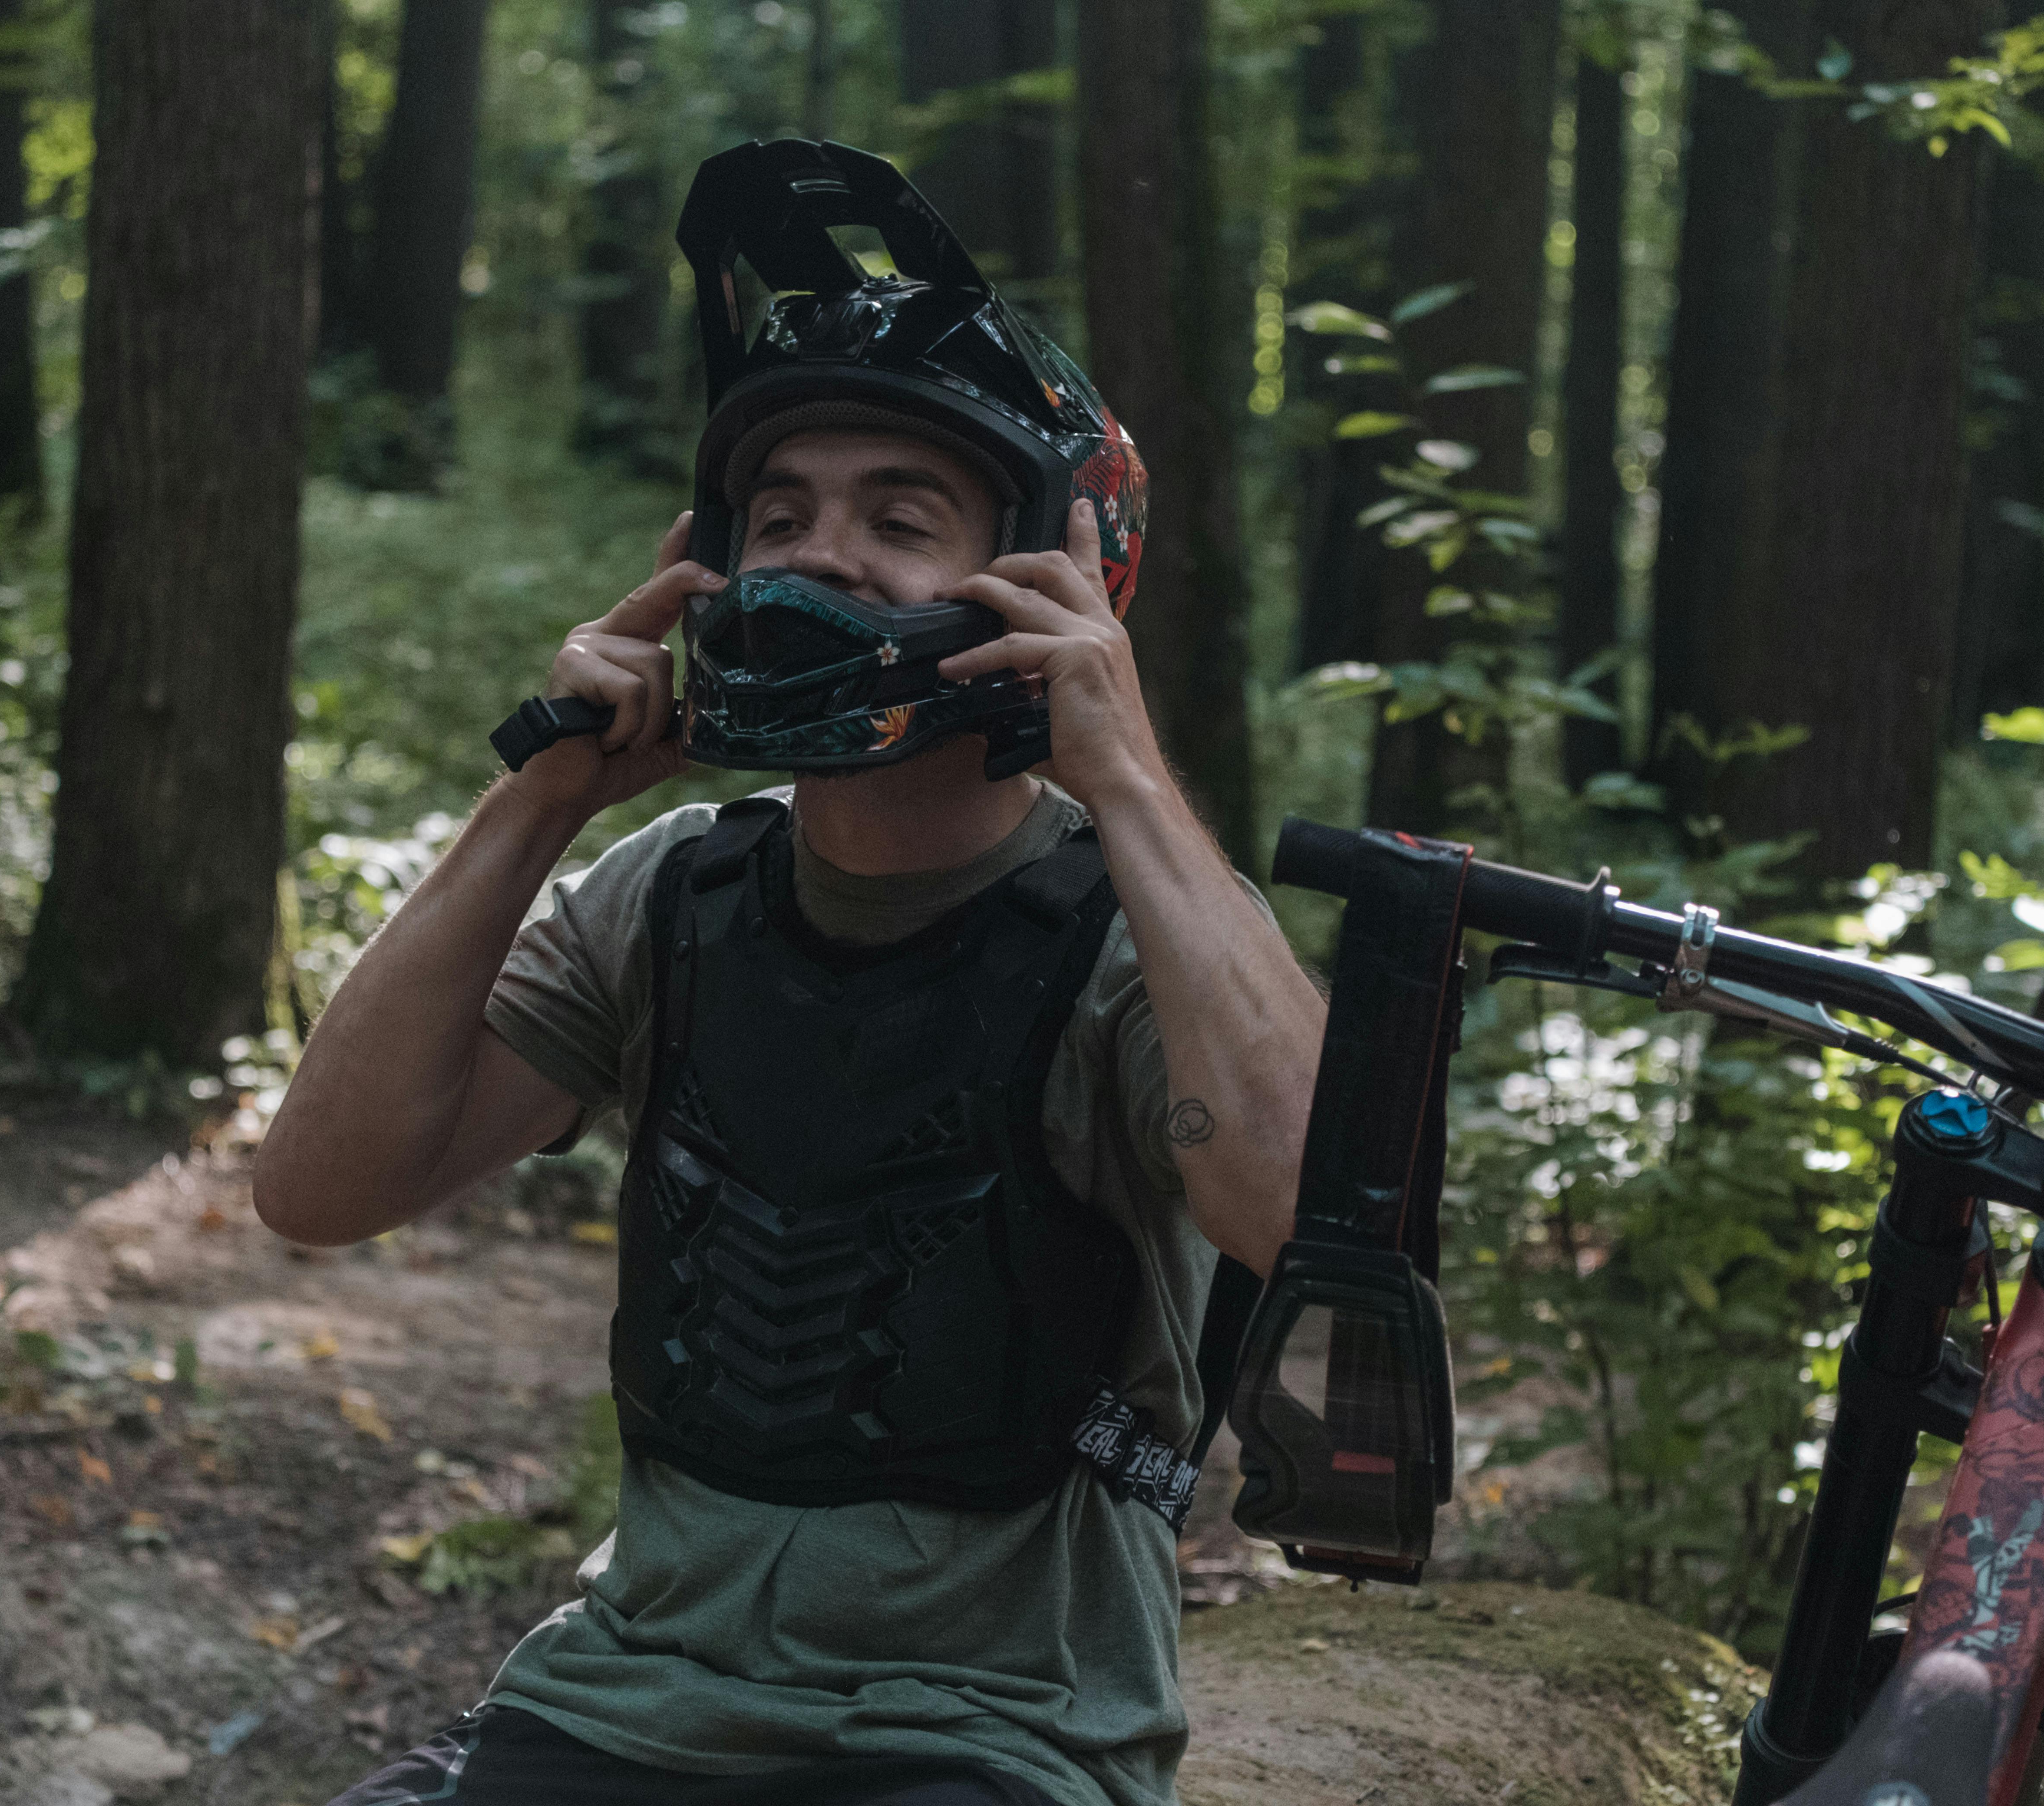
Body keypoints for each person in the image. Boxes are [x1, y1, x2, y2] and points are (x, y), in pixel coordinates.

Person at [255, 140, 1325, 1806]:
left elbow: (1309, 1220)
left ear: (1054, 577)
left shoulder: (1142, 933)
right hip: (621, 1704)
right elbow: (322, 1188)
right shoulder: (671, 894)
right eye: (776, 515)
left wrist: (1123, 779)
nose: (813, 560)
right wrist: (537, 798)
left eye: (900, 520)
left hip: (990, 1747)